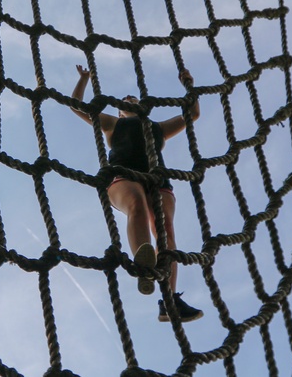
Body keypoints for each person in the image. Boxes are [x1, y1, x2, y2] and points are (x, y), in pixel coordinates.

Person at [71, 65, 203, 323]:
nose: (130, 97)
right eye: (126, 100)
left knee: (166, 232)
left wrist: (190, 84)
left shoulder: (156, 127)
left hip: (158, 181)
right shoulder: (113, 124)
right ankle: (144, 264)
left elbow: (193, 114)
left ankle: (169, 300)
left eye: (134, 97)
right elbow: (76, 105)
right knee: (136, 204)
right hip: (123, 176)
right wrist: (84, 79)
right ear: (120, 110)